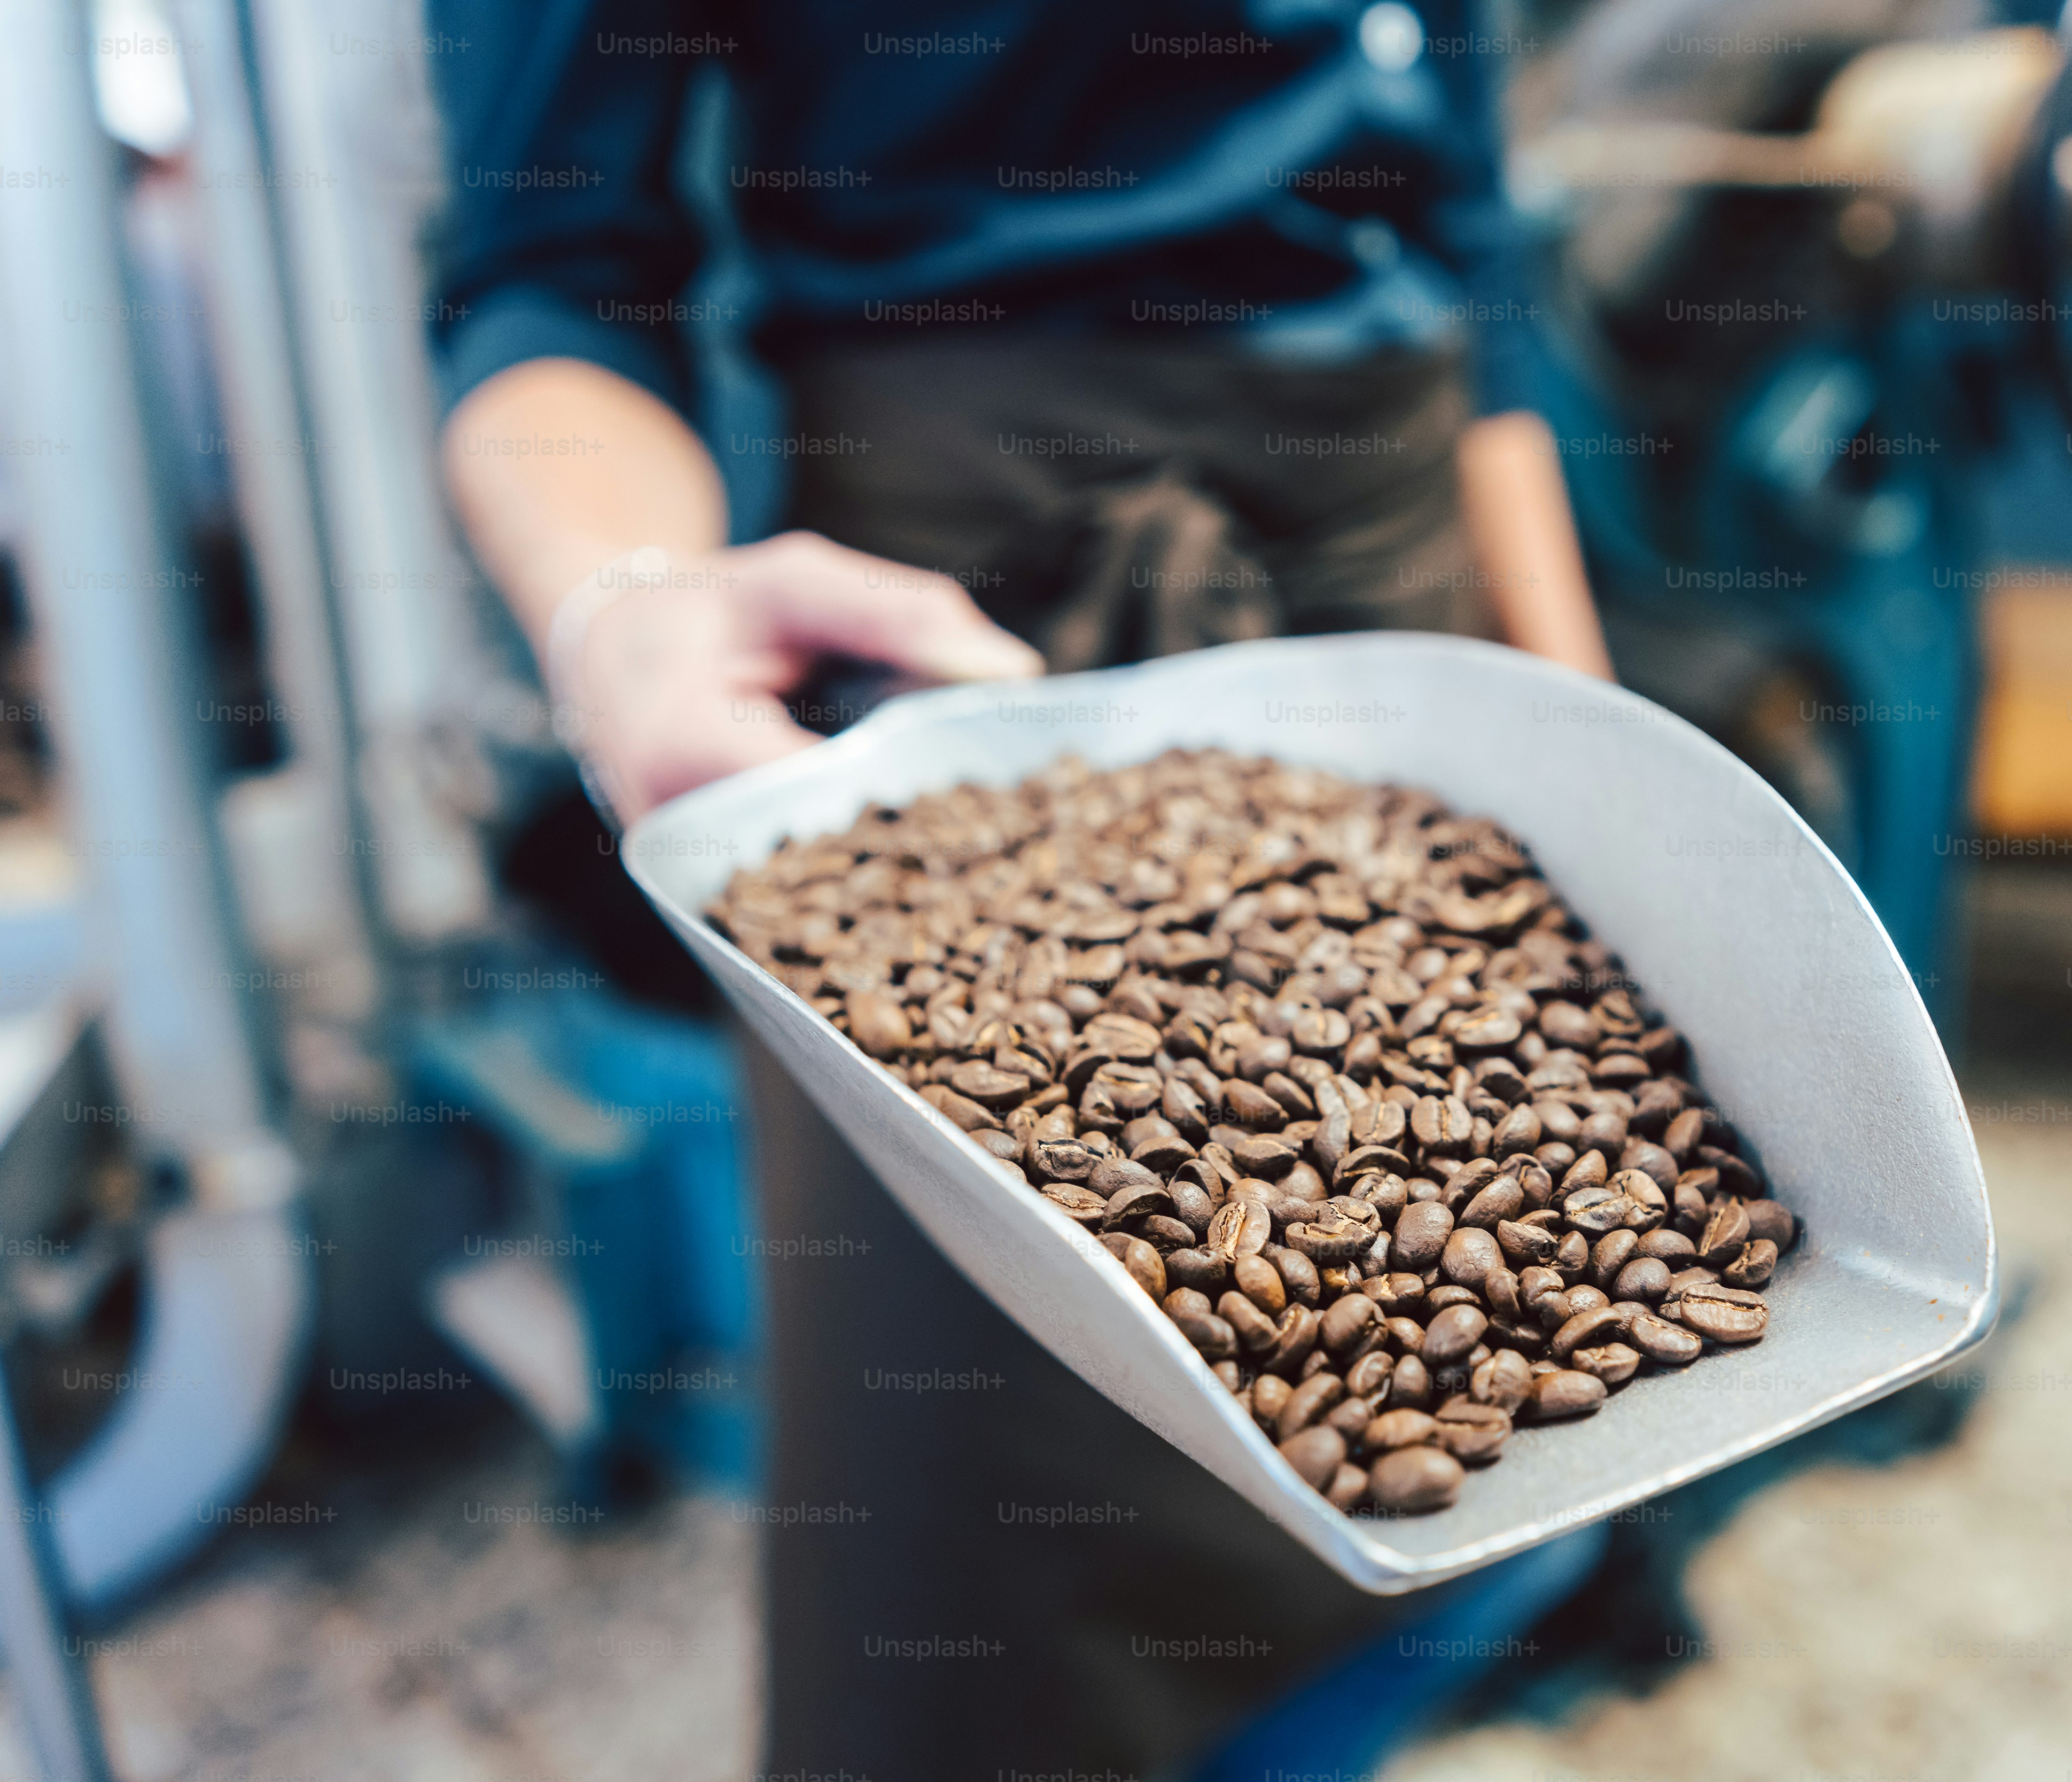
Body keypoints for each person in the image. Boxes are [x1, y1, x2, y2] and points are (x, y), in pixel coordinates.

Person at [428, 4, 1614, 1773]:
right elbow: (545, 265)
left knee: (1486, 1395)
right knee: (977, 1569)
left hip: (1393, 604)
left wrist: (1582, 731)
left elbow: (1474, 247)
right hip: (963, 661)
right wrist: (623, 619)